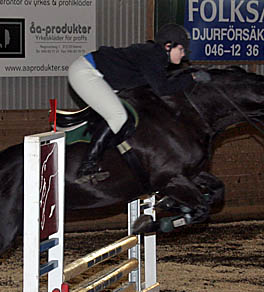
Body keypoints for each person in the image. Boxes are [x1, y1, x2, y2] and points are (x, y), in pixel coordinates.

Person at [68, 24, 211, 183]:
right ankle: (87, 166)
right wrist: (192, 78)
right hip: (87, 71)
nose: (183, 54)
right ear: (168, 46)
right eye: (181, 49)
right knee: (118, 116)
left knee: (124, 115)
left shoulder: (156, 57)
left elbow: (161, 84)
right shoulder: (152, 56)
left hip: (100, 76)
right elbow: (163, 88)